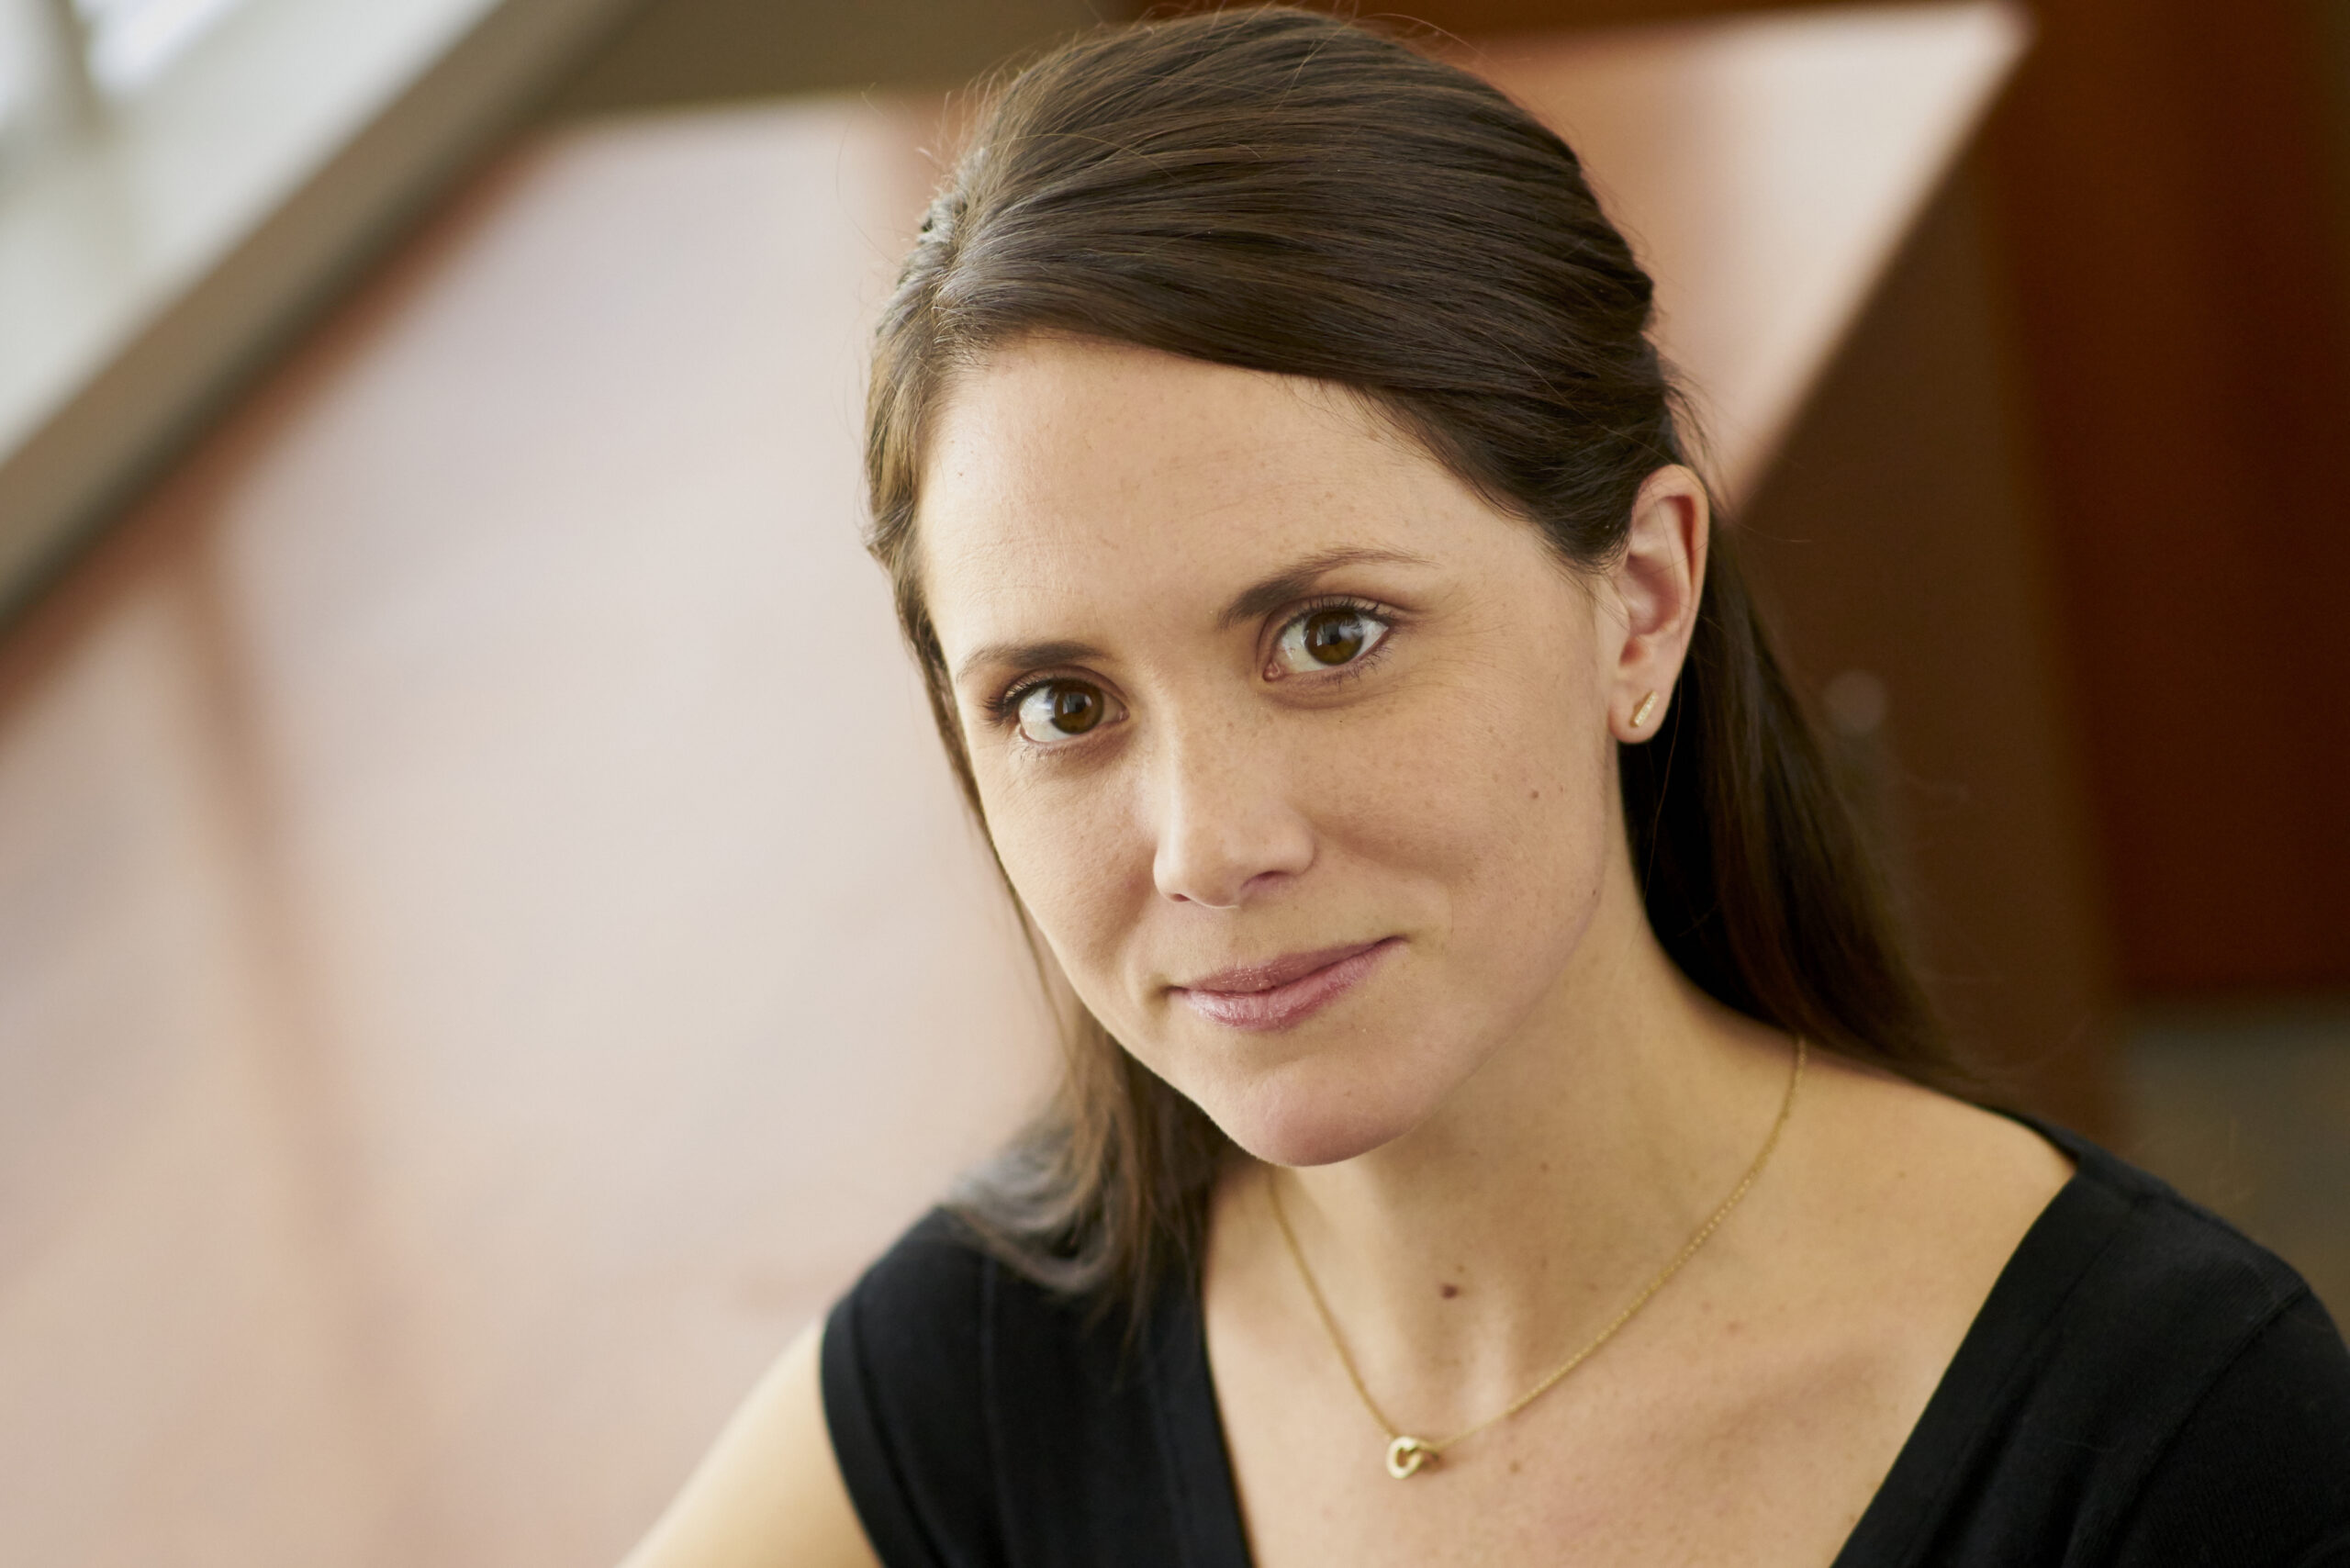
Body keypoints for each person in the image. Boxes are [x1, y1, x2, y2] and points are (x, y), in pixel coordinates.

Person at [622, 9, 2350, 1564]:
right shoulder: (986, 1370)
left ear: (1641, 604)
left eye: (1332, 637)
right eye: (1062, 703)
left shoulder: (2176, 1439)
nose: (1210, 845)